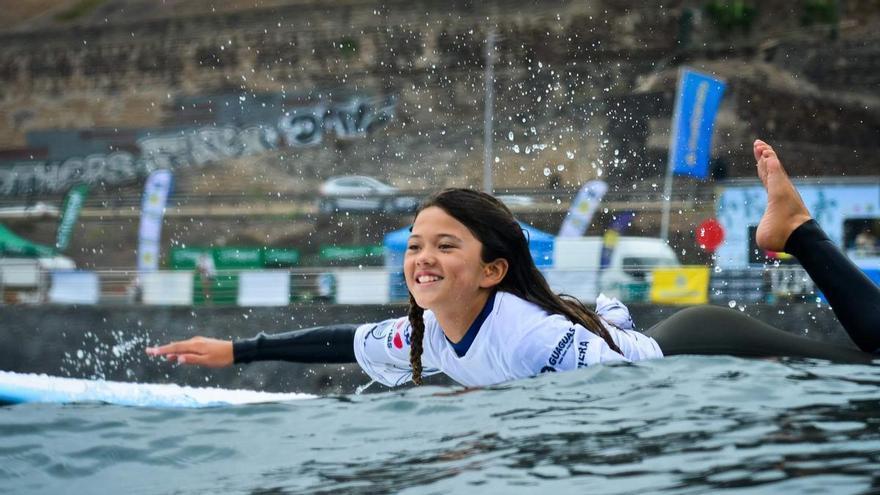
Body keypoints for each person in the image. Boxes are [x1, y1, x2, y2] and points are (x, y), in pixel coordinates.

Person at [146, 140, 879, 389]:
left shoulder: (528, 333)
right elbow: (341, 339)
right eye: (414, 246)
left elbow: (628, 396)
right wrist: (237, 349)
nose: (422, 258)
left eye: (445, 245)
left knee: (868, 365)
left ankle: (798, 231)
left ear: (492, 270)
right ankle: (796, 233)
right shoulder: (427, 331)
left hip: (704, 345)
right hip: (661, 352)